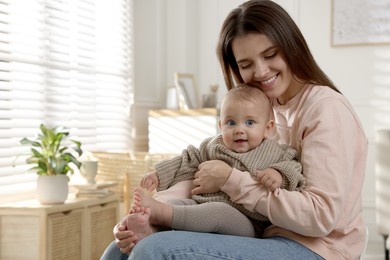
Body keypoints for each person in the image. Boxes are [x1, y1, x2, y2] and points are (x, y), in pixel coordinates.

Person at [101, 0, 367, 259]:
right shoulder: (263, 109)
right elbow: (202, 174)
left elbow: (319, 218)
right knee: (120, 249)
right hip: (262, 234)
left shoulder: (325, 109)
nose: (261, 71)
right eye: (246, 64)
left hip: (317, 249)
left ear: (292, 46)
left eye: (270, 54)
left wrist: (231, 180)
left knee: (154, 250)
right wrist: (147, 215)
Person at [124, 85, 304, 244]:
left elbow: (294, 167)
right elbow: (188, 159)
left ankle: (160, 213)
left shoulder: (275, 151)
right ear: (221, 125)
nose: (239, 129)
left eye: (250, 122)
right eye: (231, 122)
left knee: (218, 211)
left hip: (248, 224)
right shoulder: (214, 146)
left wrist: (278, 174)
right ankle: (147, 228)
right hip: (201, 206)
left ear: (267, 127)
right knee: (180, 204)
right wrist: (159, 174)